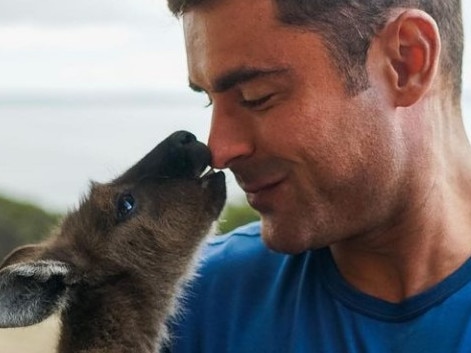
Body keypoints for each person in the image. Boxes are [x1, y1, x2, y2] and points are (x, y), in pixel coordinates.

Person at [164, 0, 471, 352]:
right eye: (208, 100)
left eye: (257, 97)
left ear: (406, 62)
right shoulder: (190, 308)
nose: (217, 150)